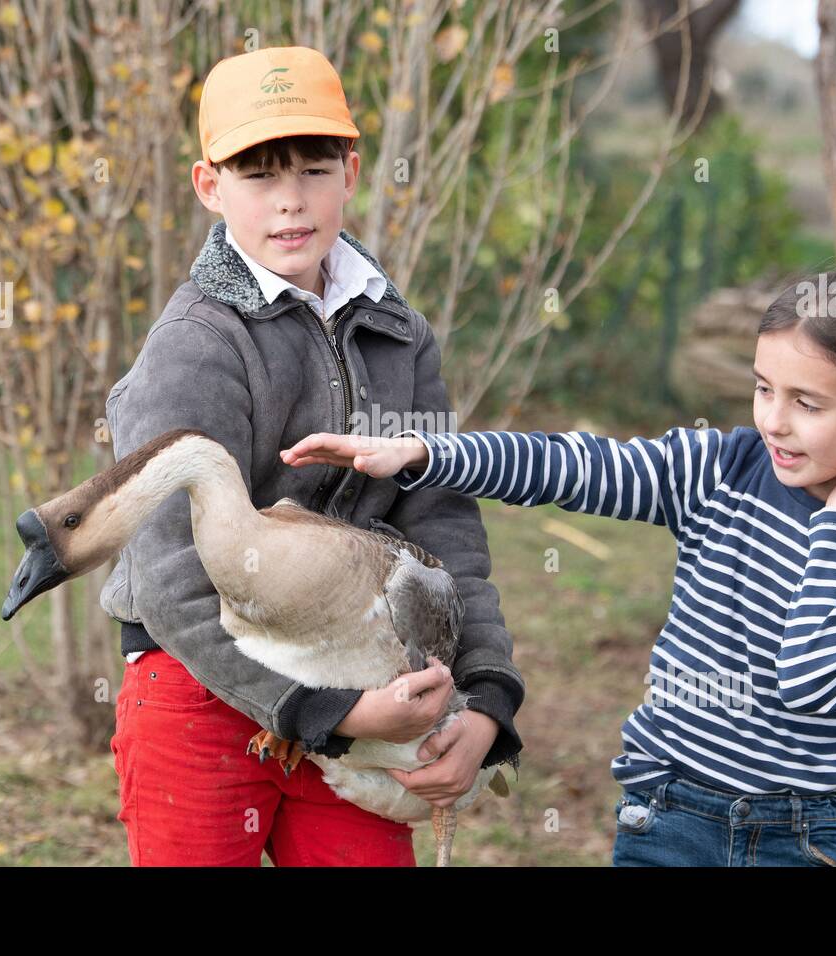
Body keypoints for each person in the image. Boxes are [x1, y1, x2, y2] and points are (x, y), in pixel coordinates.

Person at [282, 269, 836, 866]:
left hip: (801, 837)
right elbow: (578, 467)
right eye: (763, 389)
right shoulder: (720, 468)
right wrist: (427, 453)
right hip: (668, 809)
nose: (773, 421)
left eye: (807, 403)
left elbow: (812, 680)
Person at [101, 46, 524, 866]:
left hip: (361, 680)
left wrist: (484, 698)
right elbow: (167, 574)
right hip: (199, 683)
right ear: (209, 186)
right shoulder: (194, 346)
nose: (291, 201)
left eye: (313, 168)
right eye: (258, 175)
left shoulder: (397, 333)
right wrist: (317, 712)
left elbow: (442, 529)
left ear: (352, 172)